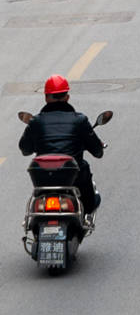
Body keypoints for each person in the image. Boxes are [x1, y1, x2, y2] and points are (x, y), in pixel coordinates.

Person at [20, 77, 100, 216]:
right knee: (86, 175)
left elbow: (24, 149)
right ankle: (85, 216)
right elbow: (98, 151)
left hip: (42, 177)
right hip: (74, 177)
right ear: (67, 97)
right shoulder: (80, 120)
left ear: (46, 97)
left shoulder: (36, 121)